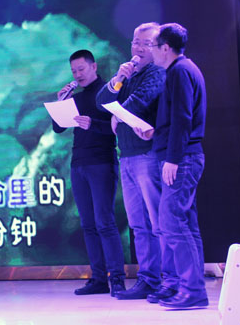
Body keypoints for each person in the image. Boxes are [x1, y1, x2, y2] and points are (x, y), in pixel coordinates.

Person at [96, 23, 179, 302]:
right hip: (128, 157)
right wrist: (118, 78)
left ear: (158, 47)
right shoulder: (128, 74)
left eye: (146, 43)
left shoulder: (157, 72)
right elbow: (101, 101)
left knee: (158, 222)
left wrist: (117, 115)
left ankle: (170, 280)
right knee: (138, 224)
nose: (138, 48)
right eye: (135, 42)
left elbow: (141, 101)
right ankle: (148, 279)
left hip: (149, 155)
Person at [134, 23, 208, 309]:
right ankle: (192, 287)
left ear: (165, 48)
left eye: (153, 46)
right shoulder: (184, 69)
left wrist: (173, 158)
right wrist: (155, 133)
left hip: (182, 158)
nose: (150, 51)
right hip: (184, 154)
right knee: (185, 223)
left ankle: (192, 290)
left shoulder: (179, 71)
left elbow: (183, 119)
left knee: (171, 221)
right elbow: (177, 119)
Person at [53, 50, 126, 296]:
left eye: (81, 69)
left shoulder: (108, 91)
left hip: (101, 162)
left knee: (104, 221)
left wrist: (93, 124)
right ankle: (98, 278)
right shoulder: (77, 97)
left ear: (94, 66)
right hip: (79, 163)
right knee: (87, 224)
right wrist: (61, 102)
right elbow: (58, 127)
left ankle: (117, 278)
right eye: (73, 71)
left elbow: (118, 126)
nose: (77, 75)